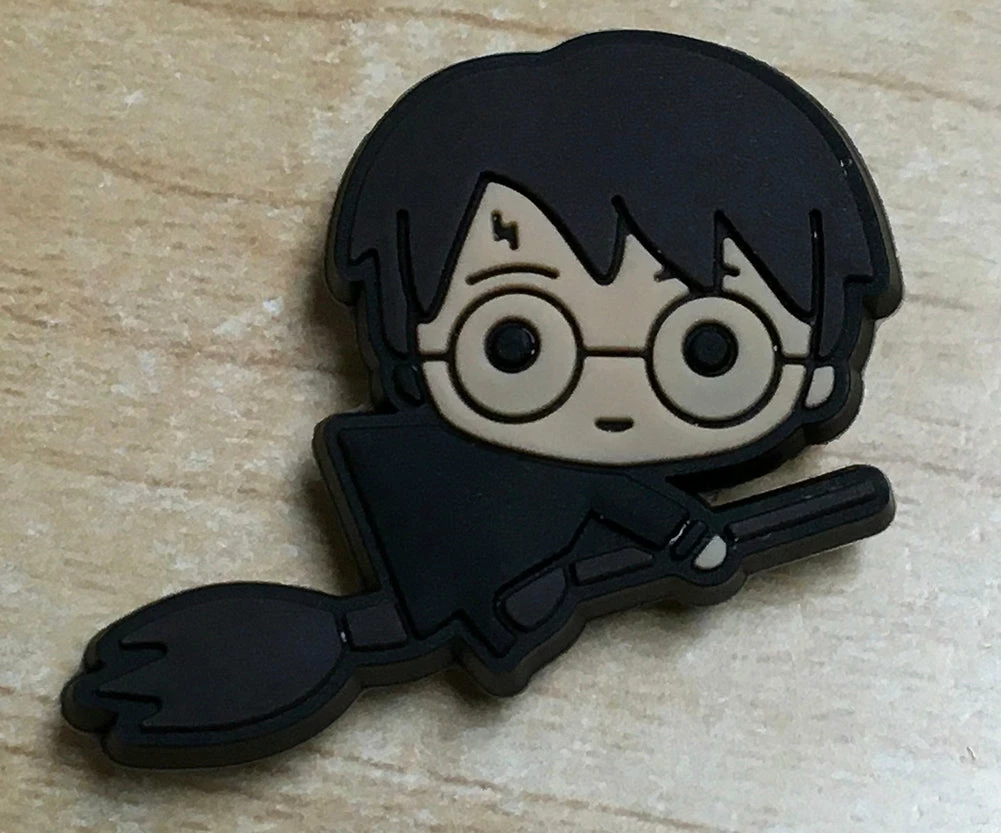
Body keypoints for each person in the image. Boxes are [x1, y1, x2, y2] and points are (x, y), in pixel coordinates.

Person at [63, 30, 901, 768]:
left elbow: (608, 494)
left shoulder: (542, 475)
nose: (611, 390)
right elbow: (612, 496)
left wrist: (670, 541)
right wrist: (684, 538)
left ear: (815, 373)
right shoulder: (483, 472)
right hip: (475, 556)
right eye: (515, 340)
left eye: (706, 347)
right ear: (411, 338)